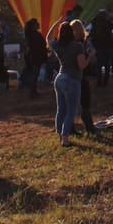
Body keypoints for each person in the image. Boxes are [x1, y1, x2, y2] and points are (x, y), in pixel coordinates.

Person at [46, 18, 89, 147]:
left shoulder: (58, 45)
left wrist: (56, 23)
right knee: (71, 111)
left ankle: (60, 134)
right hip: (72, 79)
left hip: (59, 78)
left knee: (61, 110)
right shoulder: (77, 46)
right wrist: (90, 57)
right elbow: (81, 65)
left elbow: (48, 38)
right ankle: (65, 138)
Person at [71, 21, 97, 136]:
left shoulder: (69, 44)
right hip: (81, 74)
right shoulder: (83, 43)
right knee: (85, 102)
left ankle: (70, 128)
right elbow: (88, 59)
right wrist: (90, 57)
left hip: (71, 74)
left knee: (72, 103)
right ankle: (89, 126)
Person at [22, 18, 48, 98]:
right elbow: (41, 45)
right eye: (36, 23)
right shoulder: (36, 35)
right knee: (35, 74)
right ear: (33, 26)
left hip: (32, 57)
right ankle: (32, 92)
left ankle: (33, 91)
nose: (38, 24)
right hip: (36, 57)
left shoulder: (29, 35)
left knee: (34, 74)